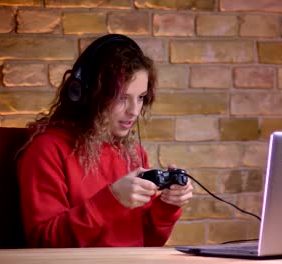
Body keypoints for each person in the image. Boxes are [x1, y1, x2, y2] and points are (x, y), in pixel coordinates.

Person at [16, 34, 193, 248]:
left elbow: (145, 241)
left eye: (140, 97)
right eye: (121, 97)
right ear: (87, 94)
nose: (134, 111)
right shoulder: (47, 150)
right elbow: (44, 243)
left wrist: (166, 206)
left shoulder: (133, 153)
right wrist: (112, 200)